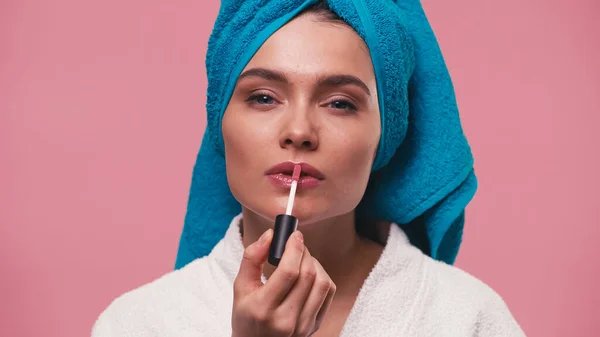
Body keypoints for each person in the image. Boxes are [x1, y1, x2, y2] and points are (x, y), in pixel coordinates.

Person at [92, 2, 526, 336]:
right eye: (263, 97)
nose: (299, 131)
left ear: (385, 137)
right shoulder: (137, 324)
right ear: (219, 123)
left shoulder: (469, 319)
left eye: (340, 103)